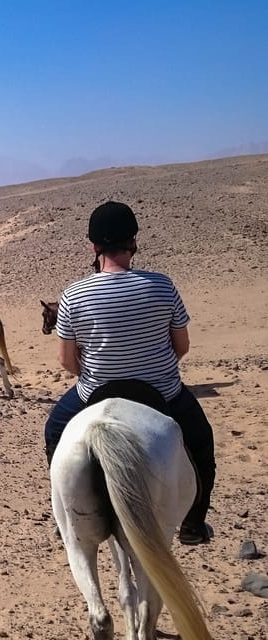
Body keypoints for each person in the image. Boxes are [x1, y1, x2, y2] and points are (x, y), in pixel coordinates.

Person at [44, 201, 216, 545]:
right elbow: (182, 346)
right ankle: (195, 522)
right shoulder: (162, 285)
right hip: (162, 392)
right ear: (133, 242)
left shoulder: (73, 295)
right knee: (202, 443)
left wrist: (98, 373)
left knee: (54, 432)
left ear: (94, 247)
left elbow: (66, 361)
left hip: (94, 393)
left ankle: (65, 513)